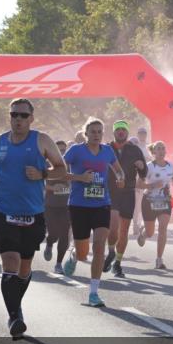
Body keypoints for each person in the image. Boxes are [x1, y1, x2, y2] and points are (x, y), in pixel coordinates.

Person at [0, 99, 66, 337]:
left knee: (24, 267)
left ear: (31, 118)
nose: (18, 119)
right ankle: (15, 317)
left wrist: (42, 173)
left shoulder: (42, 140)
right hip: (4, 210)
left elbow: (61, 169)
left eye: (23, 115)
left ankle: (15, 306)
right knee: (10, 261)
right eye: (14, 115)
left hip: (33, 212)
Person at [61, 119, 124, 307]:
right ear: (86, 133)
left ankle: (93, 293)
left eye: (99, 132)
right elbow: (59, 171)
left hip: (101, 204)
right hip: (79, 205)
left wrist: (120, 178)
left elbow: (119, 171)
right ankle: (75, 255)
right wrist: (79, 177)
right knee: (83, 254)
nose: (96, 135)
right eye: (93, 131)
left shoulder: (107, 151)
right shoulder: (76, 151)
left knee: (99, 246)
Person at [103, 120, 148, 279]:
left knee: (124, 230)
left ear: (127, 132)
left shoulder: (134, 149)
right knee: (113, 226)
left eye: (123, 129)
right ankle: (110, 252)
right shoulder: (106, 148)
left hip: (128, 193)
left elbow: (144, 173)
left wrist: (142, 167)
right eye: (118, 129)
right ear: (114, 132)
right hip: (111, 192)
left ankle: (118, 263)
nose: (121, 132)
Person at [138, 141, 173, 270]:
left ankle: (159, 259)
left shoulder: (171, 166)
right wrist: (153, 185)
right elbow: (139, 184)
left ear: (165, 151)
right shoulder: (149, 166)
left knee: (162, 228)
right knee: (150, 233)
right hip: (149, 201)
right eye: (158, 149)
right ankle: (144, 234)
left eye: (163, 148)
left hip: (165, 201)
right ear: (153, 152)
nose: (161, 151)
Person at [43, 140, 72, 275]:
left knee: (64, 234)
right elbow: (40, 183)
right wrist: (52, 187)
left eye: (64, 150)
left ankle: (58, 264)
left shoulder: (71, 166)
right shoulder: (47, 165)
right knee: (54, 234)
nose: (61, 153)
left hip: (66, 206)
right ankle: (49, 243)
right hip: (51, 205)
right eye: (59, 150)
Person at [132, 126, 150, 236]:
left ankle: (143, 224)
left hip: (147, 178)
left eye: (144, 133)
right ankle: (136, 224)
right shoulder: (135, 147)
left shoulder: (149, 147)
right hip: (137, 178)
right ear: (138, 134)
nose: (142, 135)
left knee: (145, 202)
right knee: (137, 203)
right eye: (140, 133)